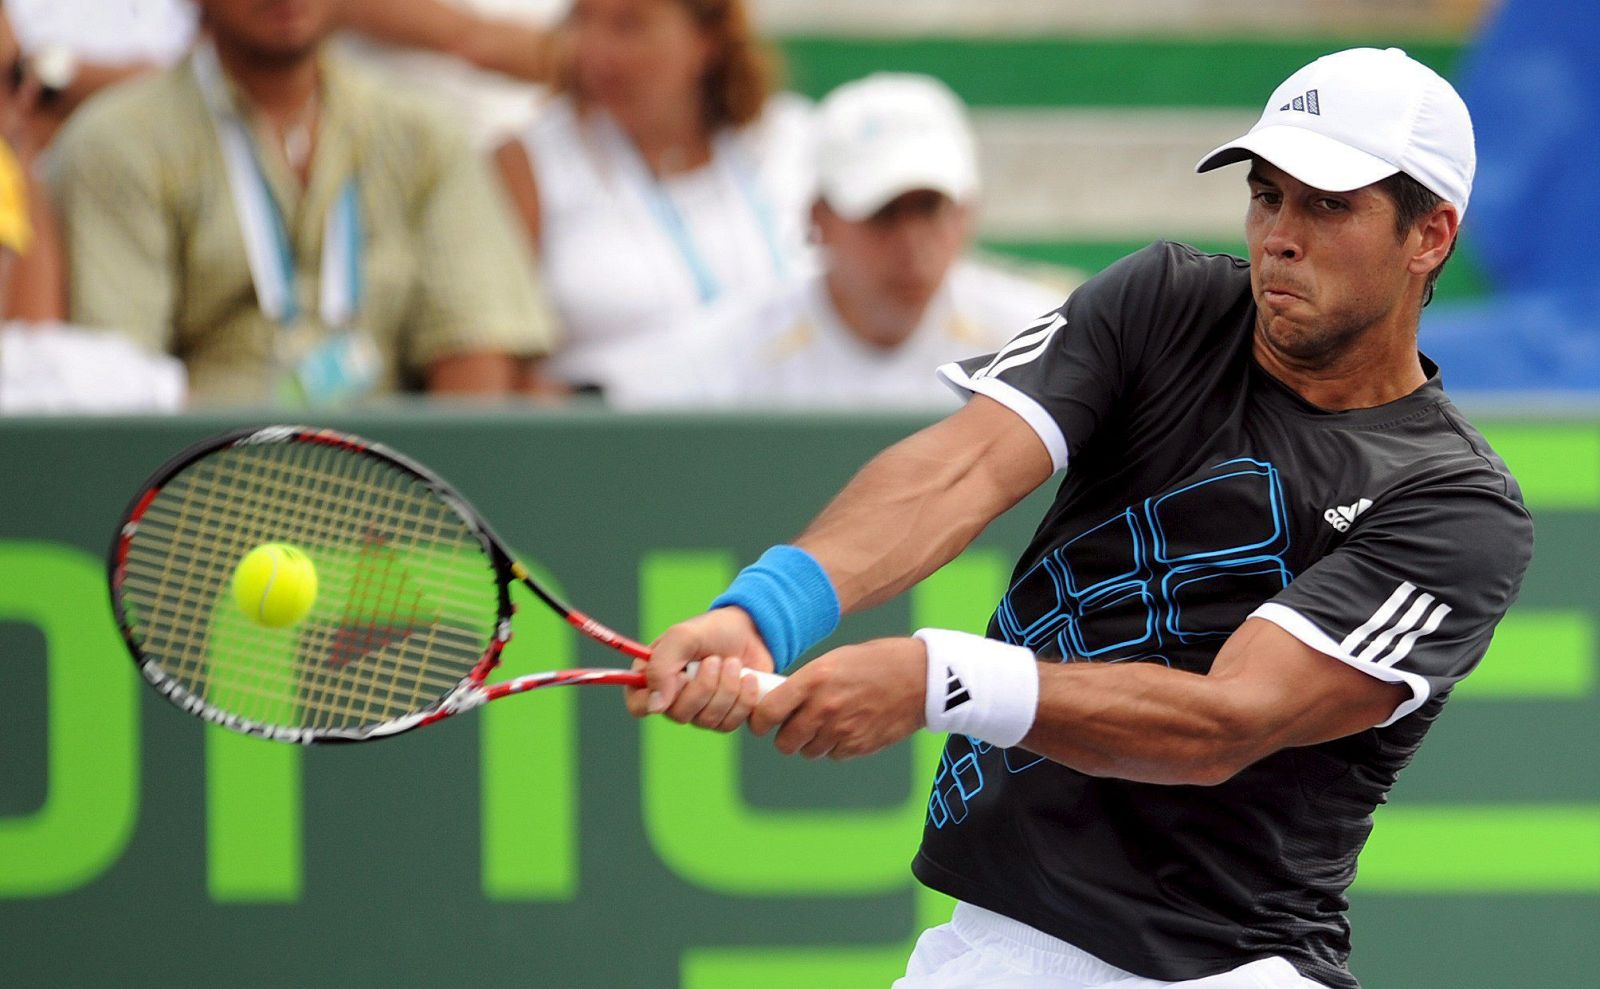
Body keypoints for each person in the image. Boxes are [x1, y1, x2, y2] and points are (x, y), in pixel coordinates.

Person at [627, 47, 1533, 989]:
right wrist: (766, 611)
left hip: (1224, 972)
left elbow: (1225, 722)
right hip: (990, 942)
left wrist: (941, 678)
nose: (1279, 236)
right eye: (1268, 195)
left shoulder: (1457, 507)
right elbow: (963, 467)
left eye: (1328, 205)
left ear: (1430, 235)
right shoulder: (1162, 301)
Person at [48, 0, 554, 406]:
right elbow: (121, 382)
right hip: (199, 489)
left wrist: (437, 492)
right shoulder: (116, 143)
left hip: (395, 492)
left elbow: (476, 348)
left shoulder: (425, 135)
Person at [609, 73, 1076, 411]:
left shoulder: (1044, 340)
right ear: (818, 219)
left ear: (966, 214)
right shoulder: (714, 360)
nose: (910, 242)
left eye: (929, 208)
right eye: (882, 213)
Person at [493, 0, 815, 393]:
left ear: (708, 38)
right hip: (609, 447)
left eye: (628, 25)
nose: (591, 49)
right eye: (580, 19)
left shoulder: (795, 139)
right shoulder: (525, 164)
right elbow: (501, 376)